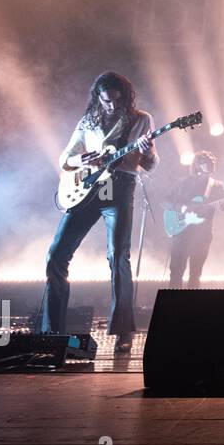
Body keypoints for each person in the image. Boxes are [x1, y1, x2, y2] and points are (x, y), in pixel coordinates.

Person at [43, 72, 157, 353]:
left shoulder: (141, 119)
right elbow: (64, 158)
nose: (111, 107)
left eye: (116, 102)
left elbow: (151, 165)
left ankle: (123, 332)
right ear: (98, 97)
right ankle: (51, 331)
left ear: (125, 98)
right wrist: (78, 159)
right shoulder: (87, 121)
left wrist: (145, 151)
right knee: (56, 255)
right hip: (88, 190)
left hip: (119, 190)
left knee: (118, 256)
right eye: (105, 101)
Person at [167, 151, 224, 285]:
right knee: (176, 273)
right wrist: (182, 208)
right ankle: (173, 305)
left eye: (212, 161)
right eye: (206, 162)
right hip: (181, 233)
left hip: (202, 236)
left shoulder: (216, 185)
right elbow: (164, 201)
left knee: (195, 275)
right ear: (197, 165)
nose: (211, 164)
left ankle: (193, 305)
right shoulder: (183, 182)